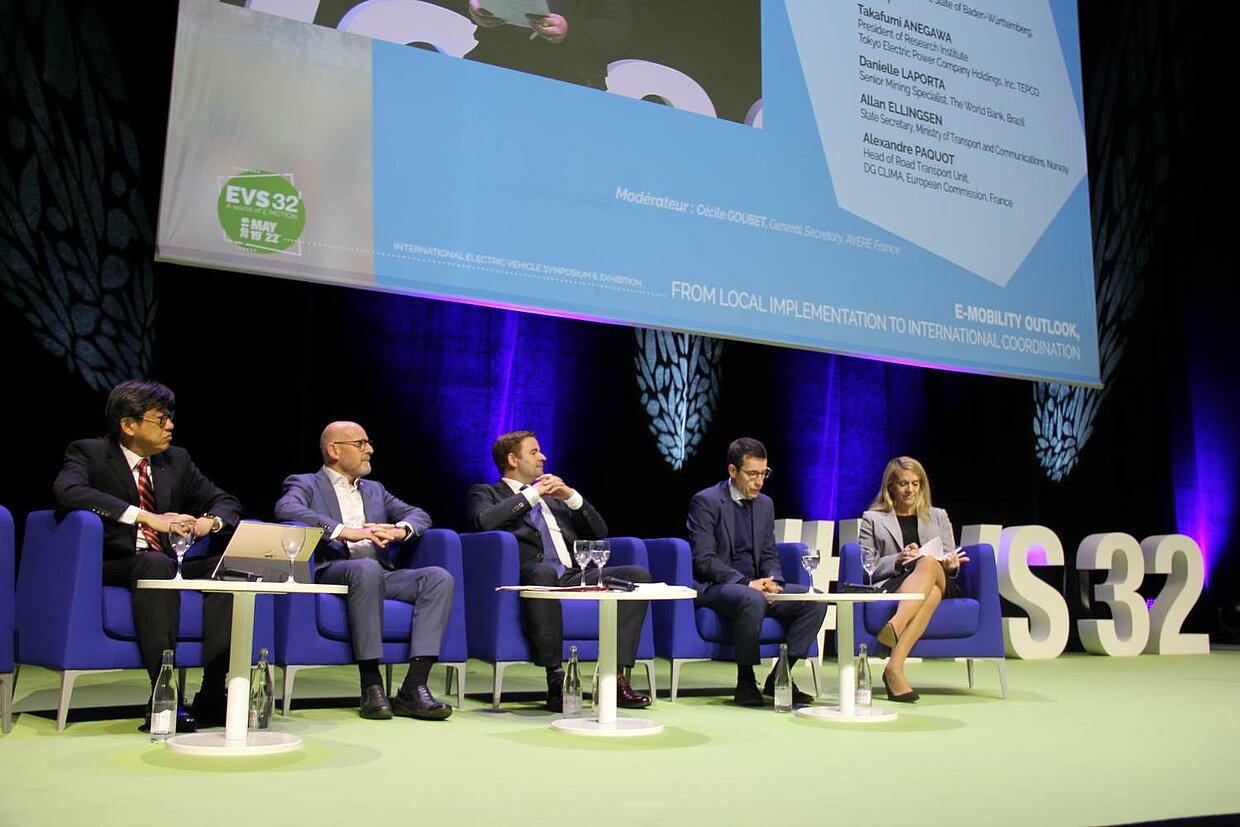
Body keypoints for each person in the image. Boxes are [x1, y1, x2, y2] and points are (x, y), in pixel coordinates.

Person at [52, 380, 239, 731]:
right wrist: (145, 516)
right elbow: (68, 492)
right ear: (128, 424)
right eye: (161, 419)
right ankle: (163, 696)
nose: (170, 426)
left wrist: (207, 523)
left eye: (170, 417)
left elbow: (225, 501)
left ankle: (214, 694)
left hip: (167, 561)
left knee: (229, 568)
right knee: (156, 563)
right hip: (116, 562)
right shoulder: (90, 453)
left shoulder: (176, 460)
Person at [273, 421, 454, 721]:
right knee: (365, 569)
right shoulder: (306, 483)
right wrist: (346, 531)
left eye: (368, 443)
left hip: (380, 572)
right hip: (333, 570)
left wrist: (399, 530)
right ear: (333, 450)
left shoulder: (375, 490)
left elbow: (419, 514)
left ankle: (414, 686)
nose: (369, 449)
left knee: (438, 578)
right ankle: (371, 684)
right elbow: (287, 509)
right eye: (360, 444)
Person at [466, 430, 651, 711]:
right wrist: (532, 494)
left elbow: (600, 532)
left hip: (572, 574)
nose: (543, 457)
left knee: (637, 576)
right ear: (512, 459)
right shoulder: (486, 492)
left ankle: (615, 679)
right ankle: (556, 680)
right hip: (530, 575)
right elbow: (484, 521)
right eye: (534, 452)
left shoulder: (554, 499)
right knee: (543, 573)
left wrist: (571, 496)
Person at [687, 437, 827, 707]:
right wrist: (747, 583)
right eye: (752, 474)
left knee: (815, 599)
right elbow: (703, 559)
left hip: (757, 585)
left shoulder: (765, 504)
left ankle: (780, 676)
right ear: (732, 471)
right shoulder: (706, 502)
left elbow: (768, 553)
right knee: (751, 598)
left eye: (764, 474)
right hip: (719, 586)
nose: (759, 481)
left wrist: (774, 581)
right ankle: (745, 681)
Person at [858, 456, 969, 702]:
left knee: (929, 561)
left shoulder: (938, 516)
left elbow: (949, 554)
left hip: (940, 575)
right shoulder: (872, 519)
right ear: (891, 487)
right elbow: (868, 566)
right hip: (899, 582)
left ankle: (897, 624)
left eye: (915, 484)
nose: (910, 490)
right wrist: (898, 559)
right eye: (903, 484)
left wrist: (951, 564)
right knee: (931, 594)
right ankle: (894, 669)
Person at [465, 0, 633, 90]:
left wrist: (569, 31)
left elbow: (617, 30)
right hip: (494, 62)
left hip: (568, 78)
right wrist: (479, 8)